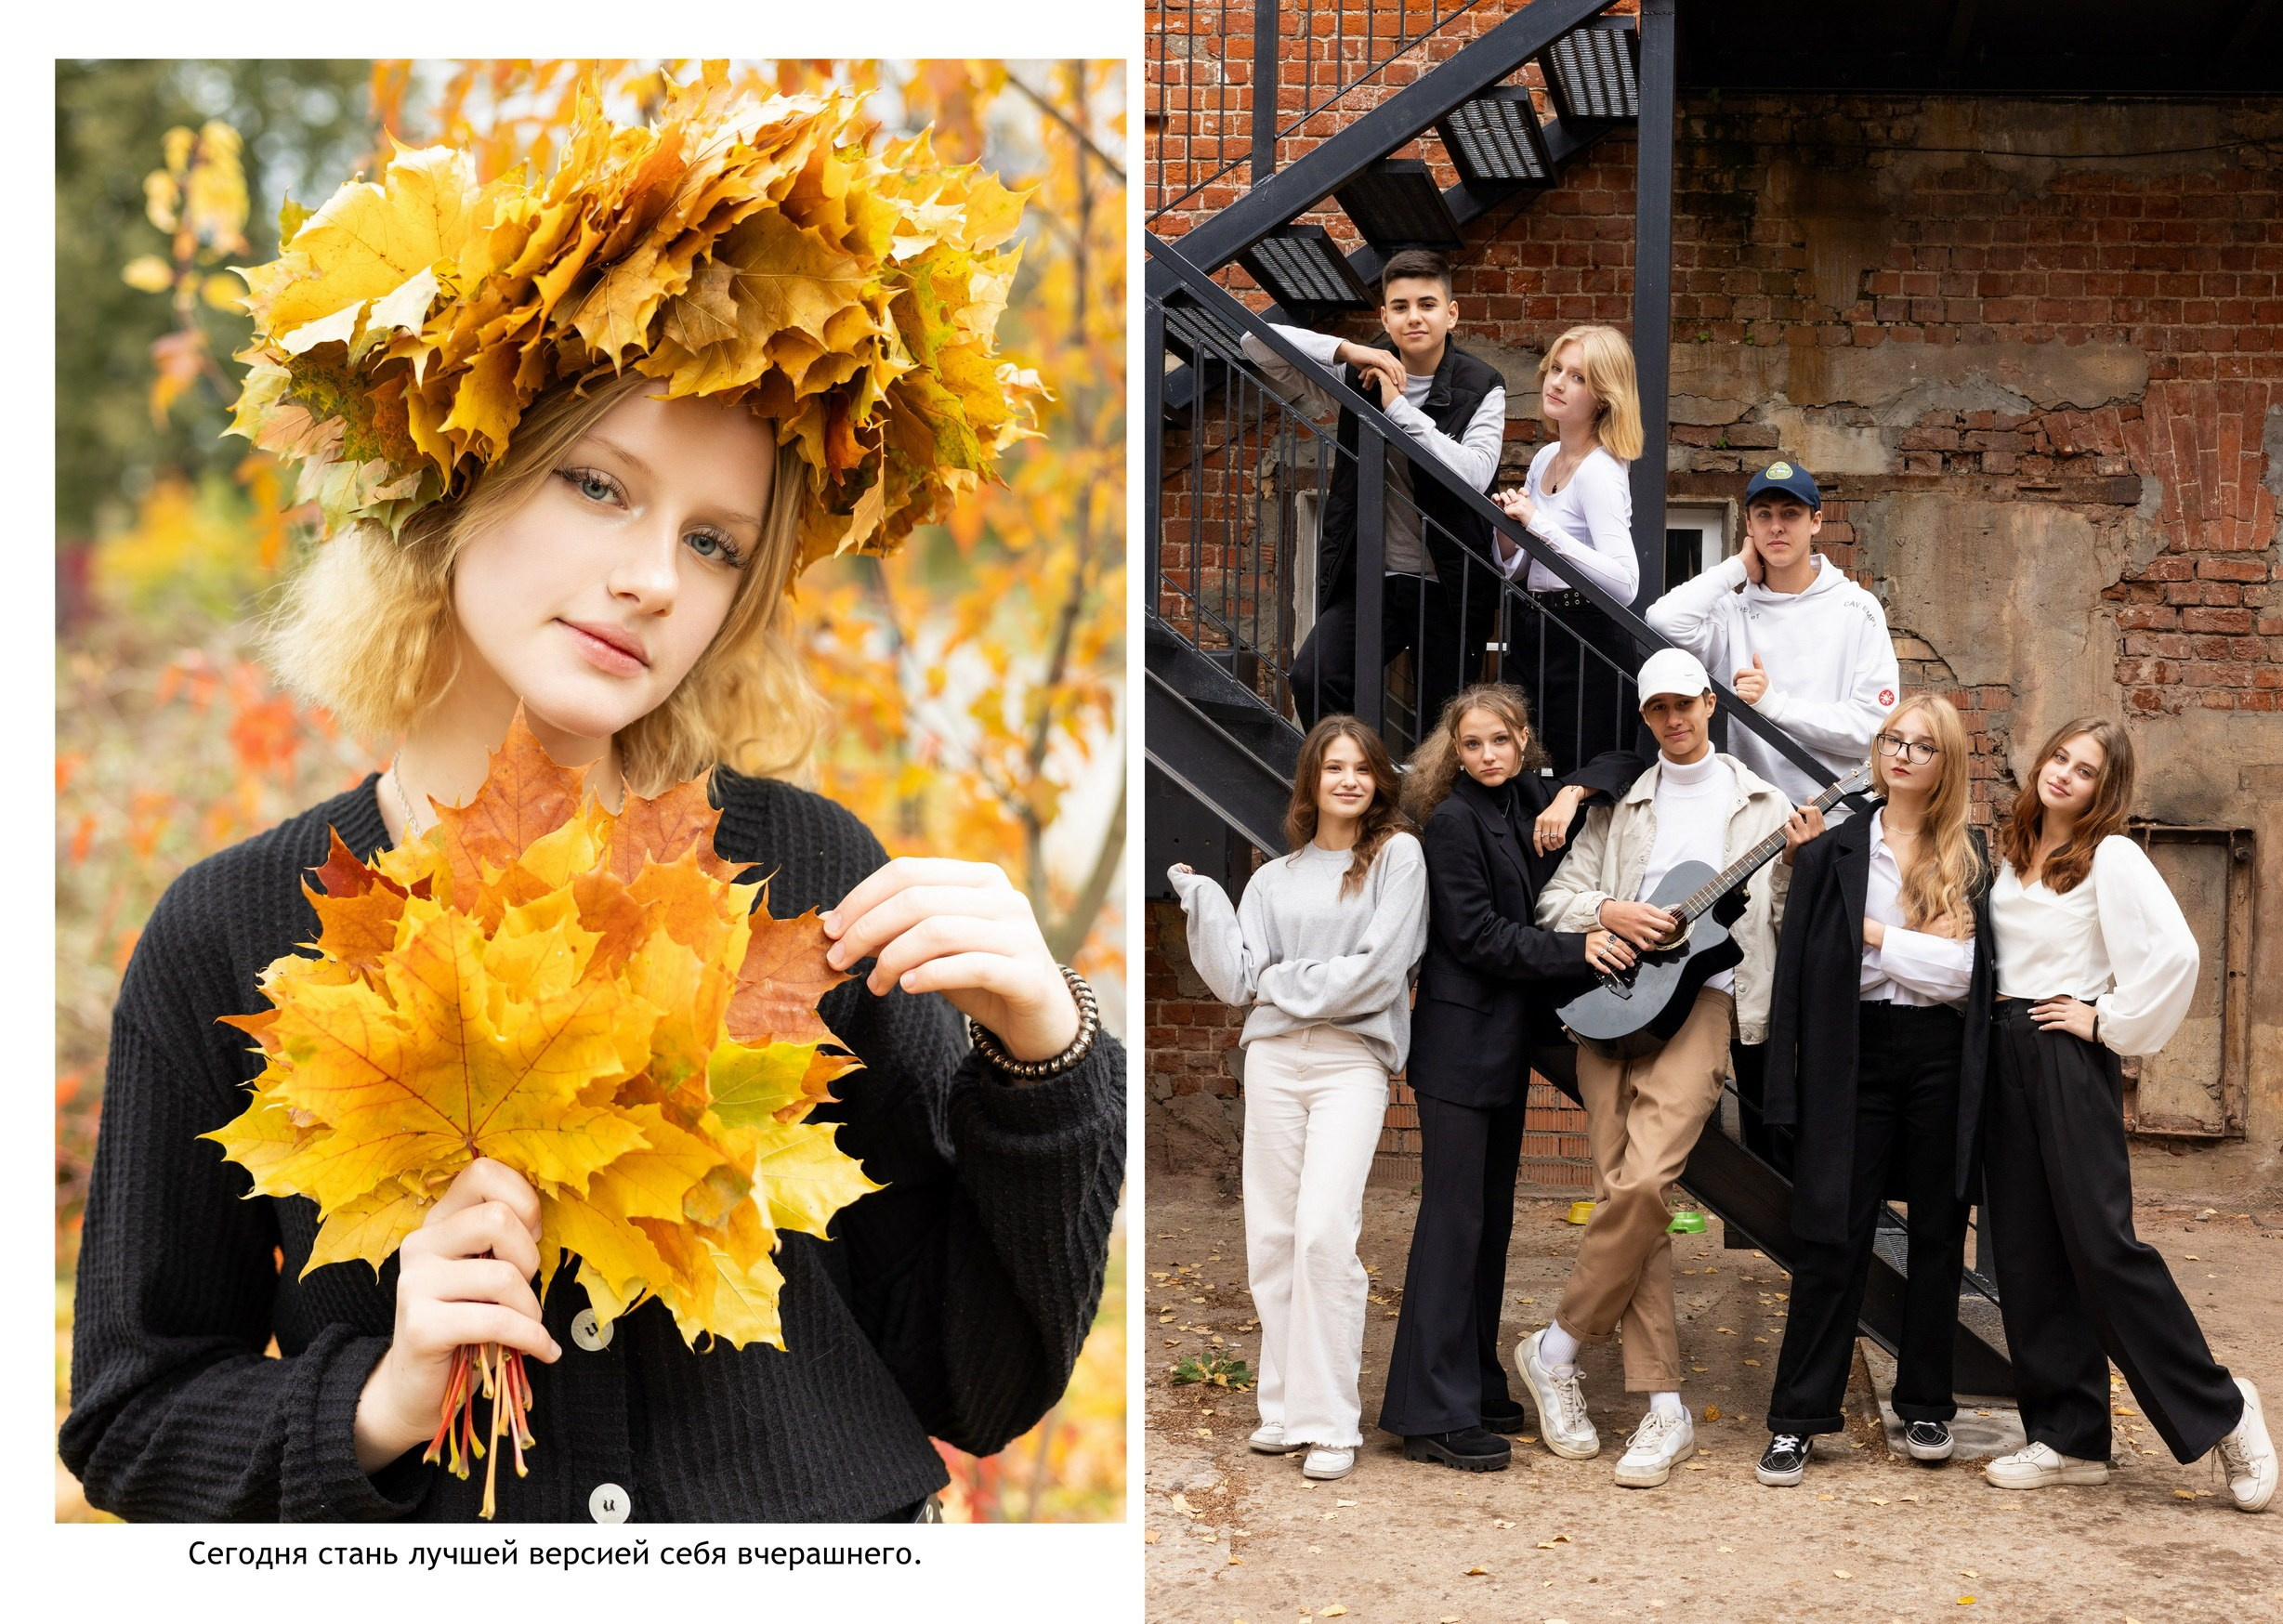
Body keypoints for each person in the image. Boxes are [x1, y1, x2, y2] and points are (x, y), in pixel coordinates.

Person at [60, 85, 1123, 1524]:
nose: (653, 580)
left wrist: (1043, 1067)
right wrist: (376, 1401)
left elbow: (977, 1387)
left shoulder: (802, 876)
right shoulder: (232, 931)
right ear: (457, 477)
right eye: (596, 484)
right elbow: (133, 1416)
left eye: (712, 542)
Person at [1976, 719, 2274, 1512]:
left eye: (2085, 770)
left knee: (2102, 1247)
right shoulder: (2006, 849)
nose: (2065, 775)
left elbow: (2175, 953)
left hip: (2063, 1052)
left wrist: (2105, 1020)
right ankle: (2069, 1437)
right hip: (2000, 1049)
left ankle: (2225, 1409)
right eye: (2059, 758)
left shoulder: (2109, 857)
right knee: (2025, 1251)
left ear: (2104, 789)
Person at [1522, 648, 1794, 1488]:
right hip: (1612, 1003)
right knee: (1621, 1198)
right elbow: (1554, 901)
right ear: (1643, 720)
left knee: (1644, 1187)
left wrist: (1814, 861)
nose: (1673, 720)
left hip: (1705, 1003)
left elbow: (1789, 910)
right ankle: (1664, 1411)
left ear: (1710, 704)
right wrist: (1605, 911)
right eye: (1657, 711)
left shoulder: (1763, 803)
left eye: (1685, 704)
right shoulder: (1618, 806)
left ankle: (1555, 1345)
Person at [1377, 685, 1642, 1471]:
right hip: (1458, 1049)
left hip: (1501, 1048)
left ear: (1522, 740)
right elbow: (1478, 935)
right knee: (1452, 1226)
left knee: (1489, 1226)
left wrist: (1571, 790)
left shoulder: (1525, 797)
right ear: (1452, 753)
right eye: (1471, 745)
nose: (1486, 756)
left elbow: (1627, 761)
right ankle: (1427, 1412)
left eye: (1499, 741)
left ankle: (1474, 1383)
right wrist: (1580, 945)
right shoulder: (1453, 820)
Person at [1168, 717, 1429, 1484]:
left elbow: (1378, 974)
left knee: (1322, 1232)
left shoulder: (1396, 858)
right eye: (1333, 768)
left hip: (1351, 1060)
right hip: (1275, 1059)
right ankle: (1283, 1408)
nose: (1348, 780)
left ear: (1378, 780)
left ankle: (1331, 1422)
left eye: (1361, 768)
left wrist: (1283, 983)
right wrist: (1204, 901)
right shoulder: (1272, 879)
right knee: (1274, 1238)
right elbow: (1234, 980)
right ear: (1310, 781)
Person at [1754, 695, 1993, 1488]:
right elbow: (1814, 969)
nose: (1901, 754)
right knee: (1832, 1235)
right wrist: (1913, 948)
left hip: (1937, 1057)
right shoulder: (1832, 850)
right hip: (1848, 1052)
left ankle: (1925, 1402)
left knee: (1936, 1231)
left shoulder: (1968, 854)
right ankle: (1797, 1418)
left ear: (1944, 762)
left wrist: (1870, 934)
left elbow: (1962, 979)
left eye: (1921, 746)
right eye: (1893, 739)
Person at [1643, 459, 1898, 1164]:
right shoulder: (1732, 604)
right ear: (1748, 525)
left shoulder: (1853, 611)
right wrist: (1734, 569)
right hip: (1749, 828)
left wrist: (1770, 704)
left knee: (1821, 988)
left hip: (1835, 824)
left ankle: (1835, 1164)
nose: (1777, 526)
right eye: (1763, 515)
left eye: (1791, 514)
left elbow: (1871, 731)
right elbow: (1661, 621)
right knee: (1755, 986)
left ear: (1817, 523)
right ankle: (1768, 1169)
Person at [1239, 250, 1506, 743]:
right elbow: (1254, 341)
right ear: (1384, 315)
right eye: (1400, 306)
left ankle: (1428, 819)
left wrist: (1397, 408)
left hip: (1446, 586)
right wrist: (1347, 351)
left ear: (1452, 313)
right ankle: (1359, 784)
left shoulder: (1483, 385)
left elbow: (1472, 476)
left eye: (1428, 304)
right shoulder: (1357, 375)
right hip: (1370, 579)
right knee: (1315, 676)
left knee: (1443, 729)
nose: (1414, 317)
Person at [1489, 324, 1645, 774]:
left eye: (1577, 377)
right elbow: (1526, 568)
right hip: (1535, 628)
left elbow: (1626, 582)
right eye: (1556, 369)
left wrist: (1539, 525)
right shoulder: (1546, 458)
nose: (1557, 382)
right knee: (1519, 771)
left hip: (1586, 638)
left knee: (1577, 783)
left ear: (1603, 397)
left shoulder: (1601, 471)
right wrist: (1507, 535)